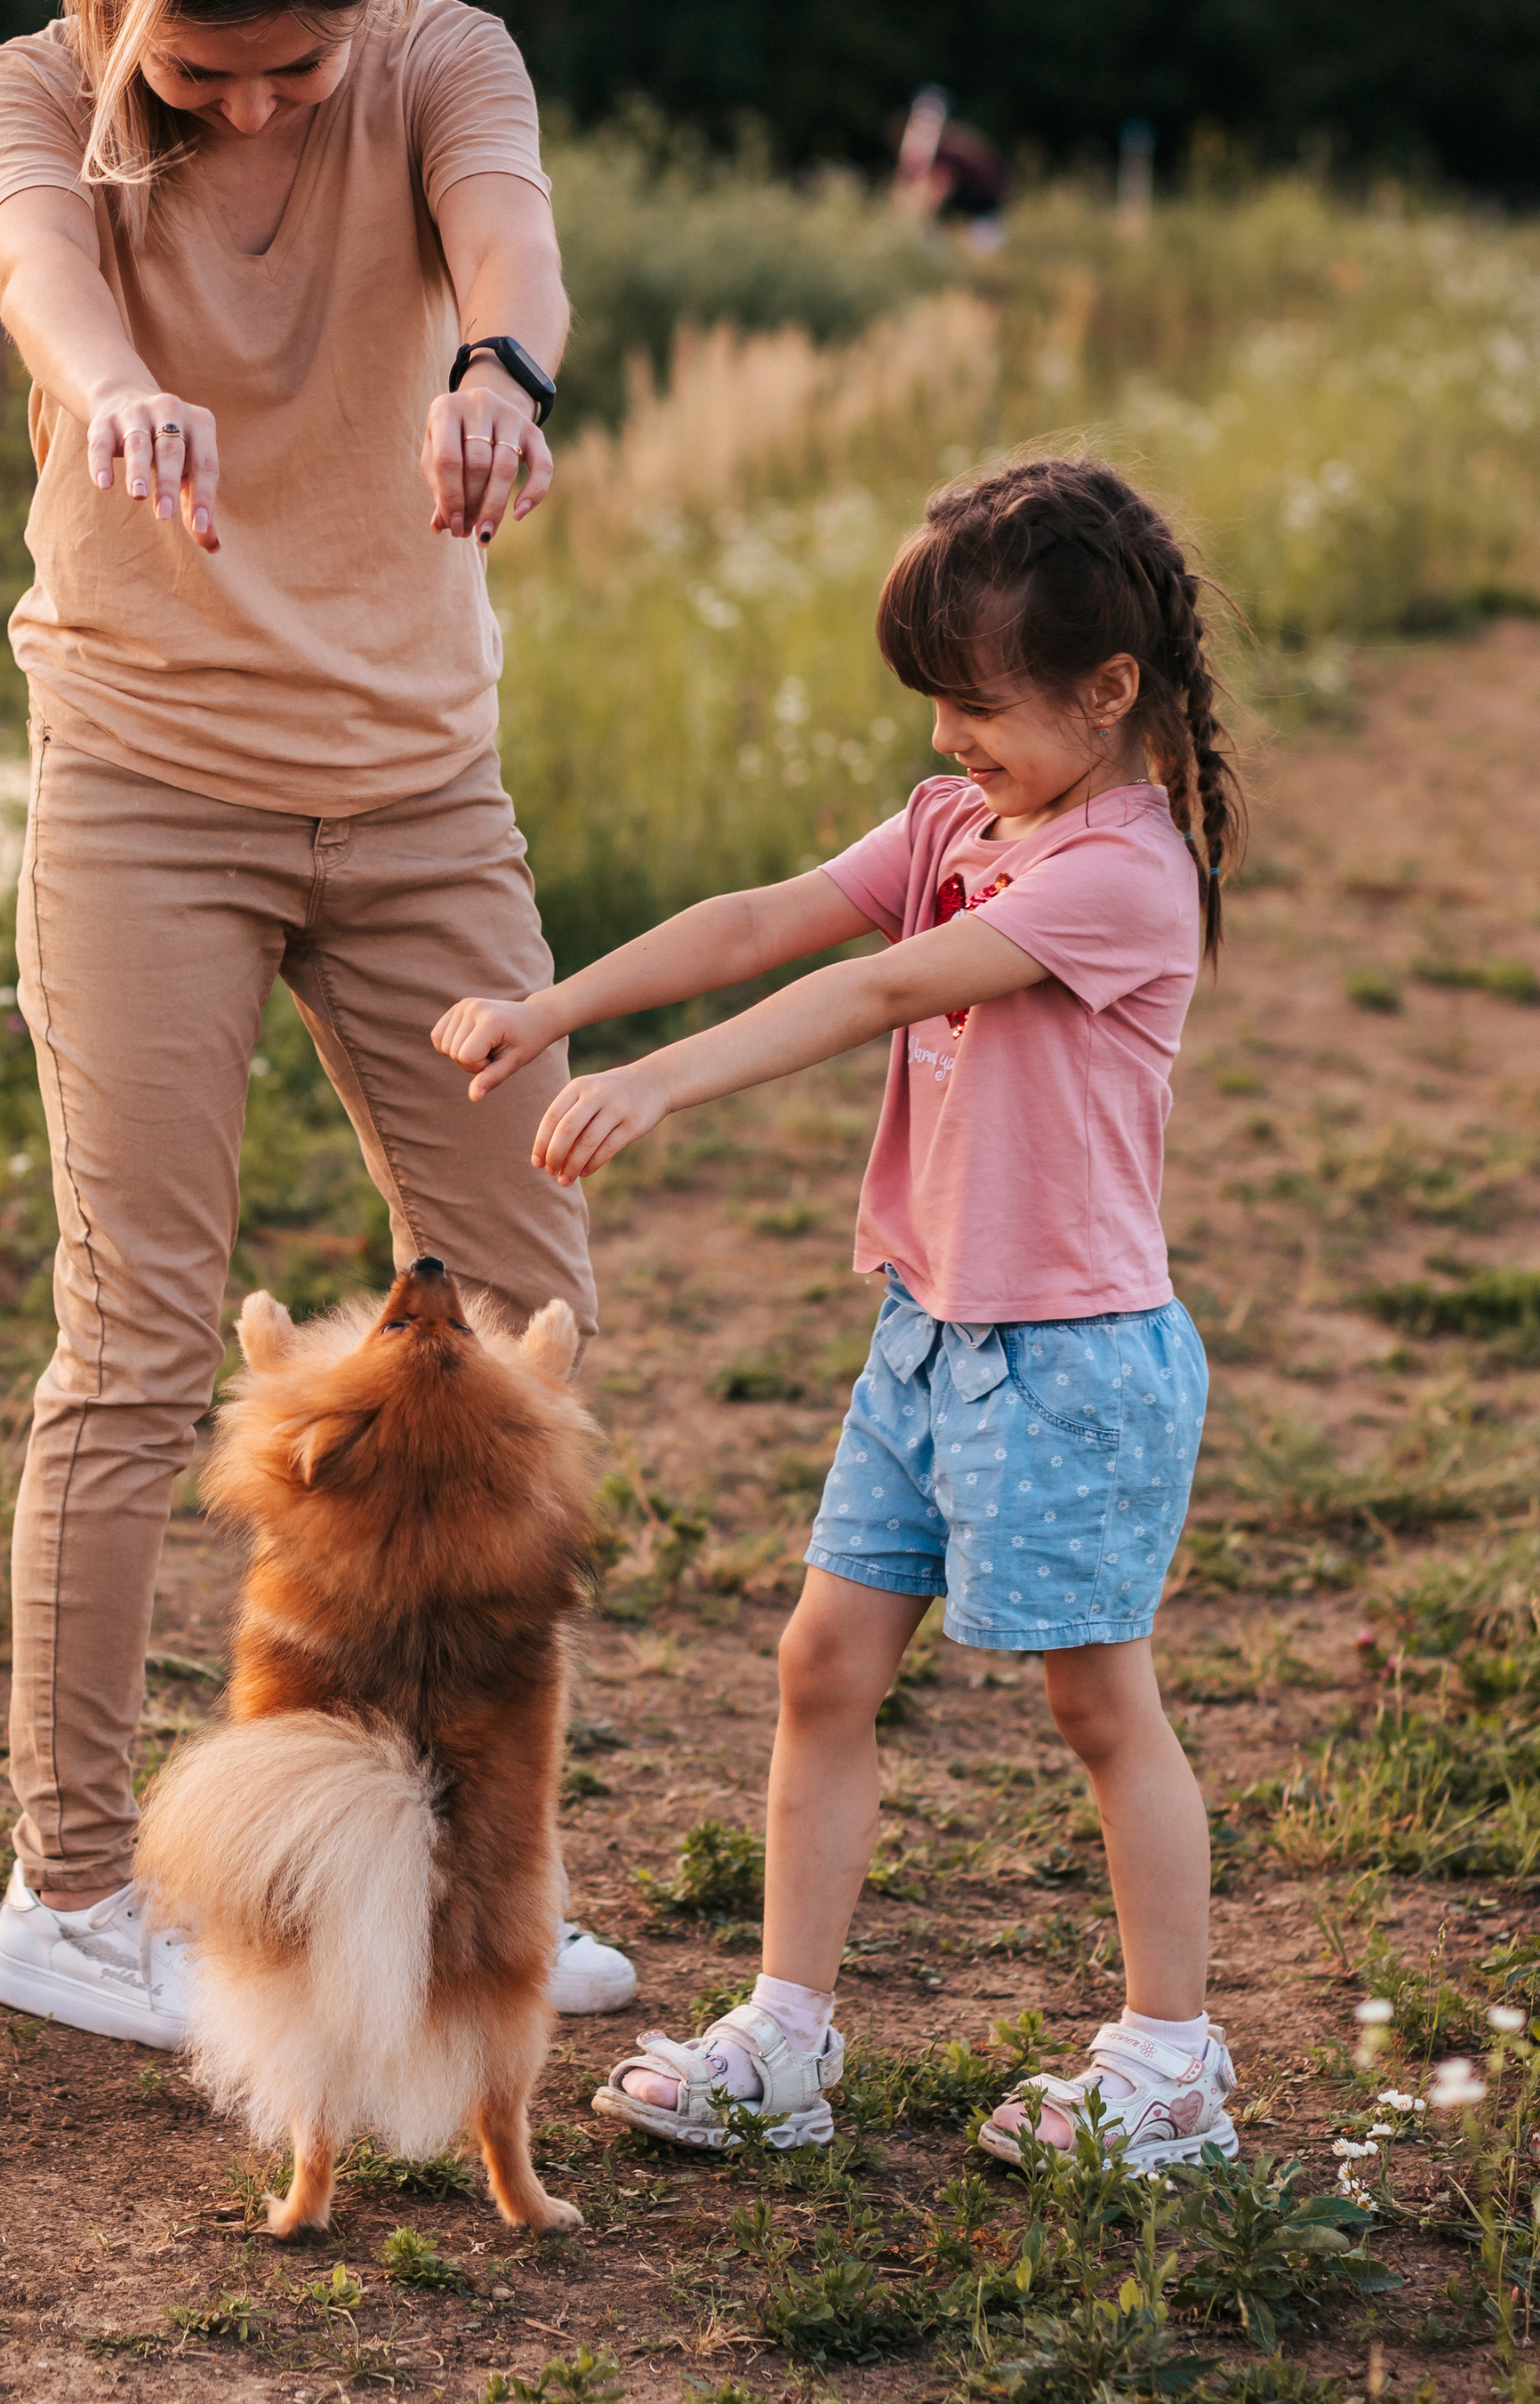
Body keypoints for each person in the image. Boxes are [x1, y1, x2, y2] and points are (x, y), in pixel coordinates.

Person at [0, 0, 632, 2049]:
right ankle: (69, 1895)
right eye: (203, 72)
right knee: (140, 1340)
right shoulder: (34, 94)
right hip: (146, 786)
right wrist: (119, 382)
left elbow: (510, 234)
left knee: (529, 1320)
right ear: (118, 4)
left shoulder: (443, 59)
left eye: (292, 70)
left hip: (418, 798)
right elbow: (45, 265)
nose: (250, 111)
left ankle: (465, 1876)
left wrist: (498, 365)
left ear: (368, 1)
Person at [434, 456, 1245, 2171]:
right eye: (936, 707)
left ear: (1108, 693)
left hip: (1073, 1356)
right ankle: (786, 2034)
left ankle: (1171, 2065)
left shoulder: (1121, 875)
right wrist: (552, 1008)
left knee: (1102, 1705)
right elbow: (768, 917)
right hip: (931, 1335)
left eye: (979, 707)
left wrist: (661, 1087)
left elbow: (873, 983)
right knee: (822, 1665)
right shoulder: (964, 819)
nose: (951, 740)